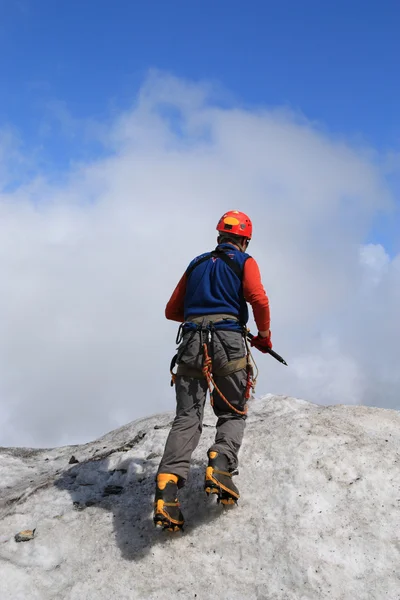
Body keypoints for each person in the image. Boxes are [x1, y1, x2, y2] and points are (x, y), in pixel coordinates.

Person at [153, 210, 272, 531]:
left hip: (190, 342)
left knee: (187, 416)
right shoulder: (244, 262)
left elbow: (171, 311)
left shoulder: (197, 264)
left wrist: (202, 317)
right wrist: (262, 336)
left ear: (219, 237)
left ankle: (167, 485)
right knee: (232, 412)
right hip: (229, 341)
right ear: (244, 240)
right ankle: (219, 463)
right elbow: (258, 298)